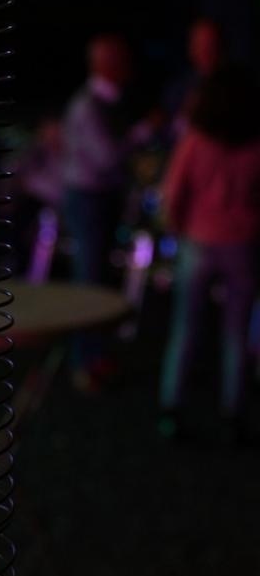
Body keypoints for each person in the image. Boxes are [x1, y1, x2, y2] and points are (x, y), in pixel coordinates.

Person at [158, 65, 260, 443]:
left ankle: (171, 407)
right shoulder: (254, 144)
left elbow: (174, 194)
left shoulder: (195, 141)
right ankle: (234, 412)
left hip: (199, 242)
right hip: (243, 245)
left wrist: (180, 229)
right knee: (236, 332)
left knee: (185, 328)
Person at [60, 34, 134, 391]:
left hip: (96, 198)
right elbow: (107, 157)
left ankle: (93, 356)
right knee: (89, 279)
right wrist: (139, 138)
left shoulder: (102, 103)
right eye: (120, 60)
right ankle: (82, 361)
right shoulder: (89, 107)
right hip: (88, 199)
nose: (128, 66)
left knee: (96, 276)